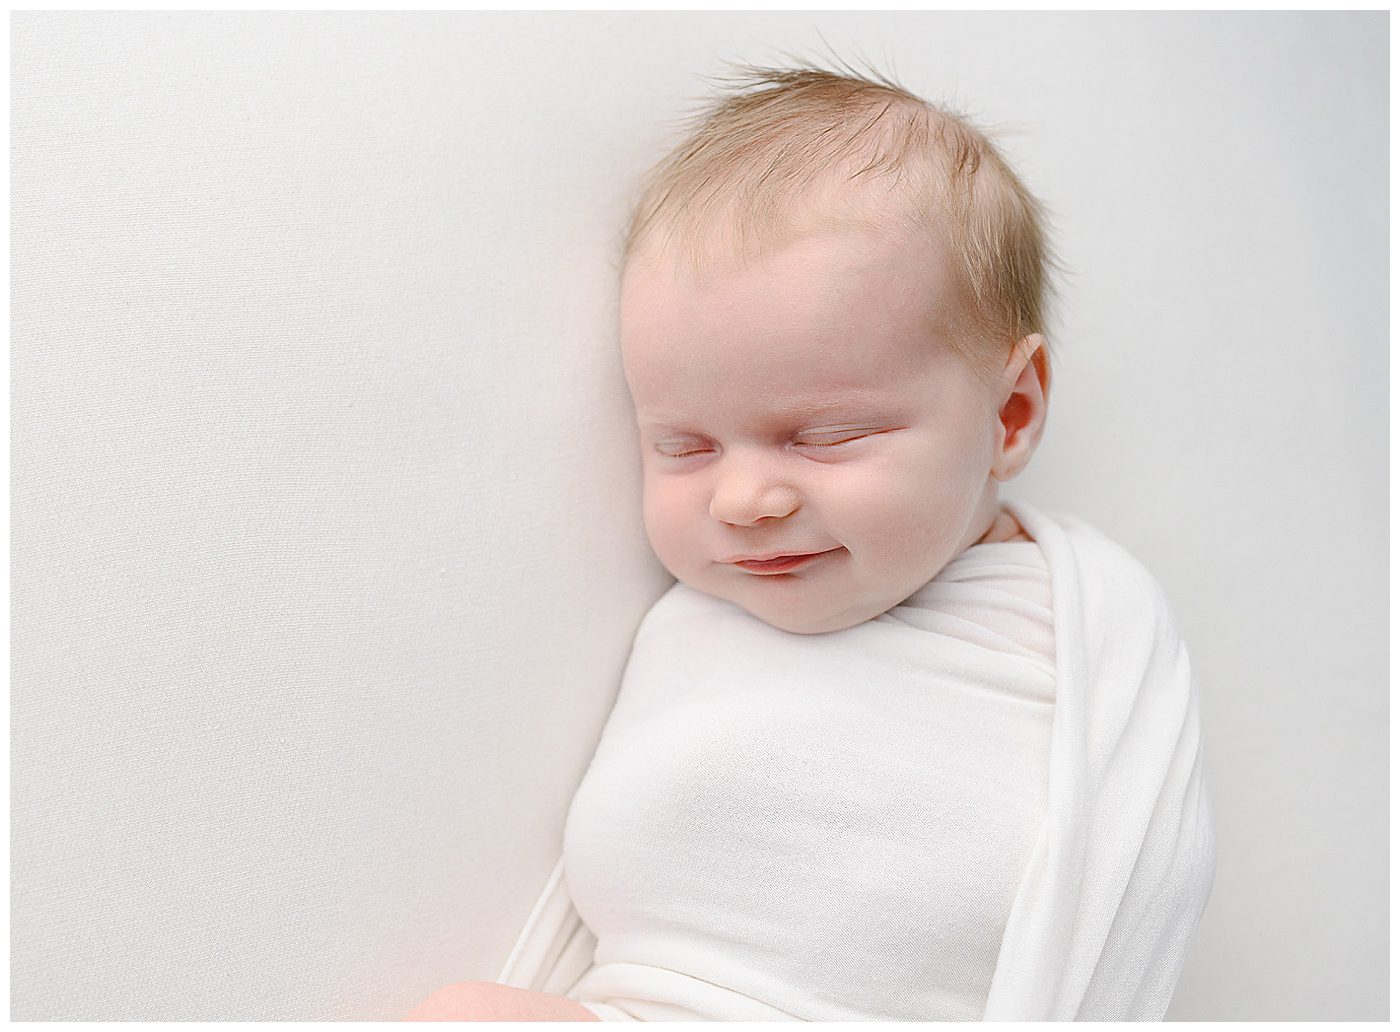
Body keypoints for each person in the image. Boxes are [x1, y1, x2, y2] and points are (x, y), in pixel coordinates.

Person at [407, 59, 1213, 1022]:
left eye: (825, 437)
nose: (744, 498)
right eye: (684, 445)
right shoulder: (686, 633)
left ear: (1010, 412)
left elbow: (1125, 885)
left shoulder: (1080, 630)